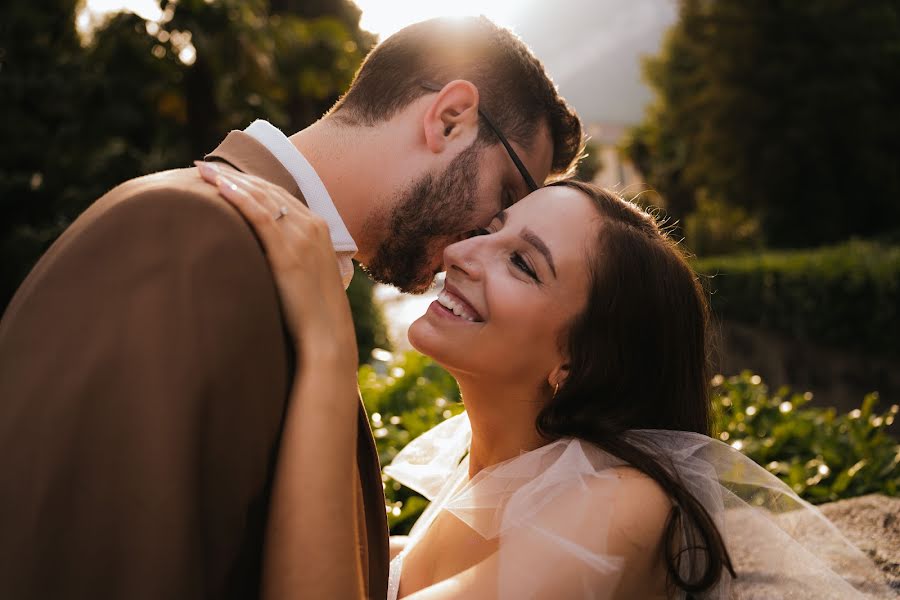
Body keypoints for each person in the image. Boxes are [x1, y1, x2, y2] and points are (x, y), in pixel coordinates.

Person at [0, 16, 581, 600]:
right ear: (450, 118)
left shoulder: (276, 273)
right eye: (506, 196)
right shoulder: (186, 232)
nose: (479, 241)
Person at [210, 174, 895, 599]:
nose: (459, 253)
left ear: (580, 364)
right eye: (491, 228)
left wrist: (328, 351)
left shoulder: (619, 504)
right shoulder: (490, 475)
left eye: (523, 265)